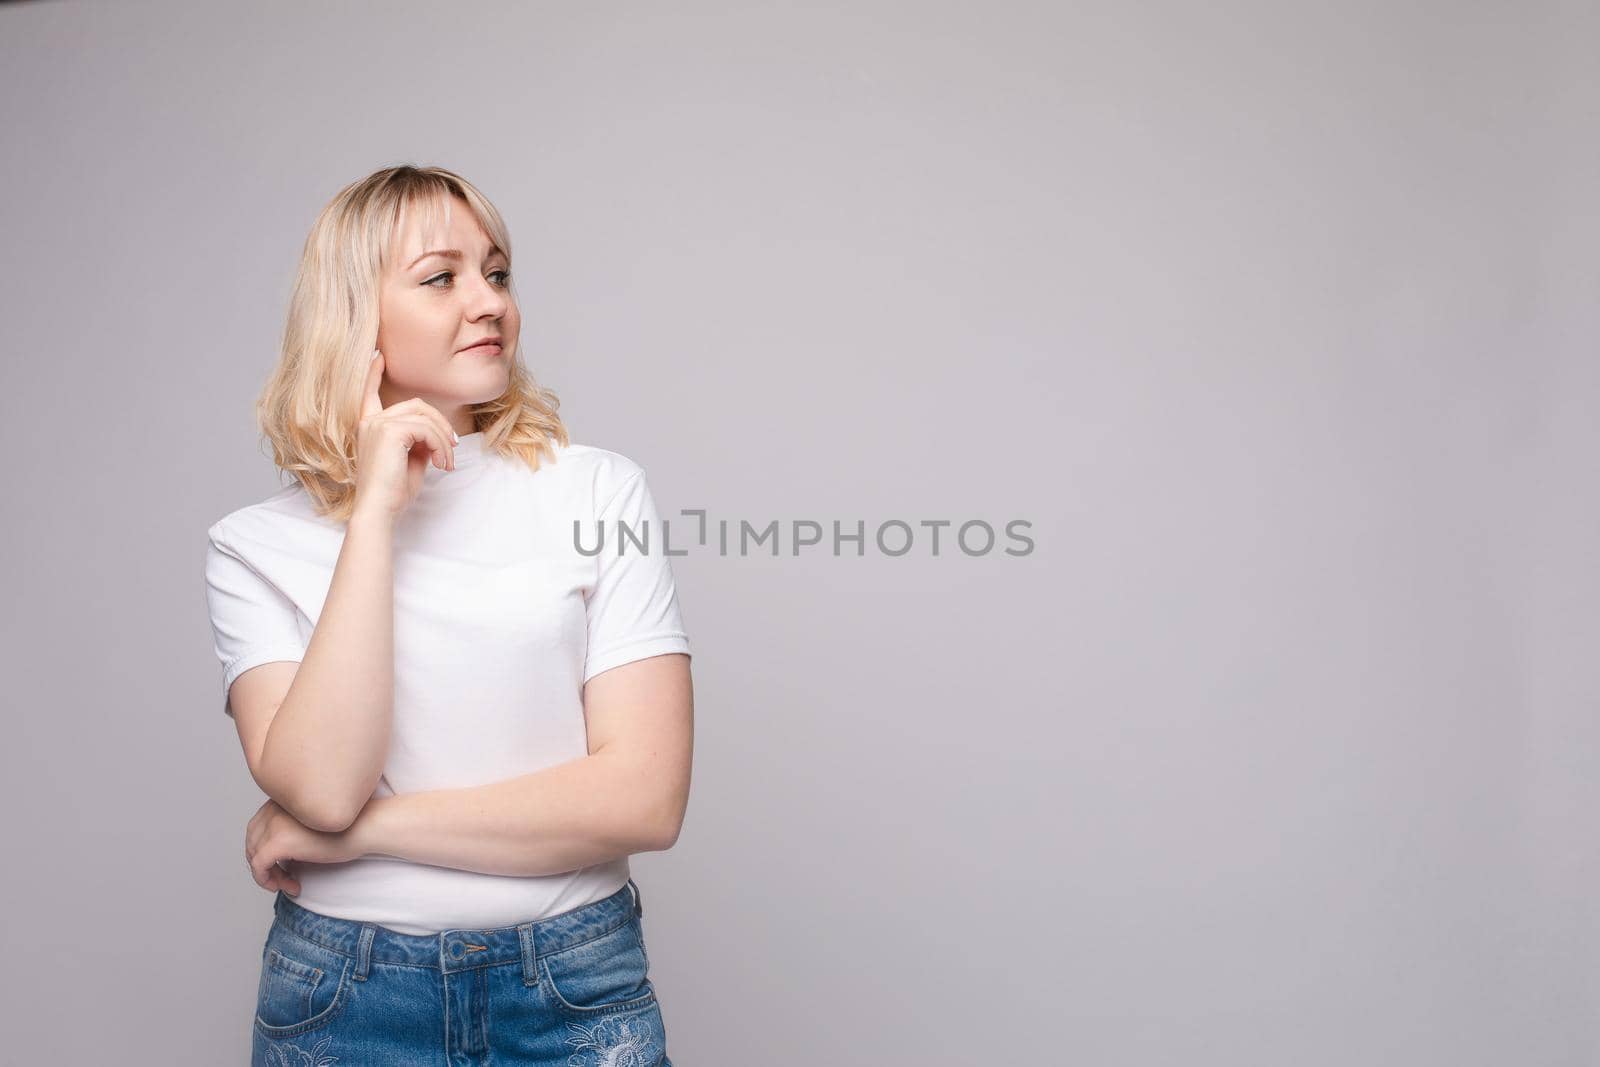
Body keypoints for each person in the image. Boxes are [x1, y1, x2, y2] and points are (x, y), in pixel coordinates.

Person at [203, 164, 689, 1066]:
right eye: (442, 277)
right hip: (345, 997)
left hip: (575, 987)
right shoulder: (250, 546)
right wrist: (377, 515)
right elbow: (323, 787)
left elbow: (645, 798)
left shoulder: (594, 489)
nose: (489, 303)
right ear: (355, 317)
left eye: (497, 273)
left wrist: (357, 836)